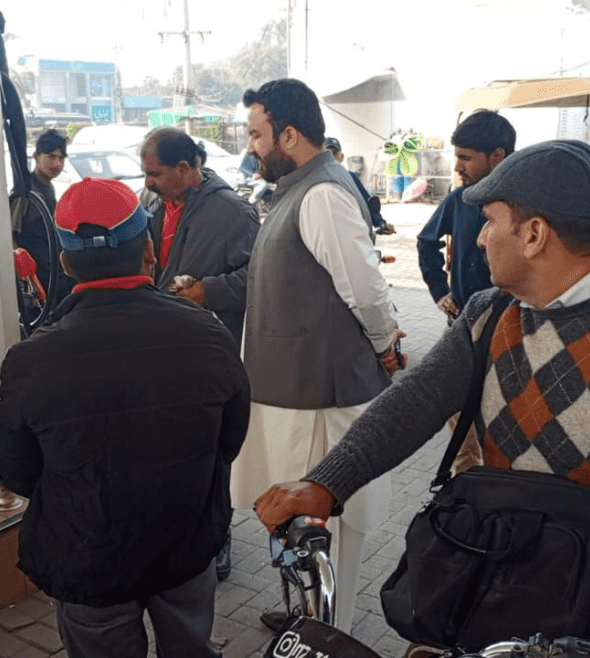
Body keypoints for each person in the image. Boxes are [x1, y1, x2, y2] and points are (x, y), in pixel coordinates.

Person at [254, 140, 590, 658]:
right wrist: (326, 482)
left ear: (533, 234)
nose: (480, 238)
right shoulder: (490, 313)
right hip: (497, 583)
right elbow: (414, 402)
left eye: (489, 221)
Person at [0, 177, 250, 658]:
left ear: (66, 263)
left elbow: (19, 472)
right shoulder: (209, 335)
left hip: (88, 555)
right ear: (148, 250)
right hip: (186, 540)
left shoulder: (31, 360)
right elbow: (229, 442)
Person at [230, 78, 405, 634]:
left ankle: (331, 634)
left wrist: (386, 346)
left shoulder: (323, 194)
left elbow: (366, 289)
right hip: (295, 395)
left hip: (323, 403)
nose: (252, 147)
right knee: (297, 523)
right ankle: (305, 618)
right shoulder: (296, 190)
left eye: (257, 134)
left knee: (331, 528)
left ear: (289, 135)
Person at [141, 126, 260, 350]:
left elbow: (261, 276)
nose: (148, 183)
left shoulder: (234, 213)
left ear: (183, 168)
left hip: (207, 347)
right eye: (145, 174)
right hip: (160, 342)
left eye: (155, 174)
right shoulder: (151, 203)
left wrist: (208, 291)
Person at [417, 110, 515, 323]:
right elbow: (426, 241)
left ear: (496, 157)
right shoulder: (458, 200)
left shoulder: (524, 205)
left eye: (466, 158)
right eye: (457, 157)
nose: (457, 167)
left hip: (505, 327)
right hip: (461, 322)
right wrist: (440, 291)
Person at [11, 129, 75, 314]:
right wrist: (29, 279)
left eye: (61, 158)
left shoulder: (48, 187)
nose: (57, 164)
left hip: (54, 271)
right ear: (37, 156)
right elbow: (9, 236)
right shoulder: (25, 193)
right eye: (51, 157)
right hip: (38, 281)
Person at [325, 136, 393, 235]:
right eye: (328, 153)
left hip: (352, 230)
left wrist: (380, 223)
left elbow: (367, 201)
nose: (332, 156)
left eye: (334, 152)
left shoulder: (350, 178)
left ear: (341, 156)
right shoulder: (318, 181)